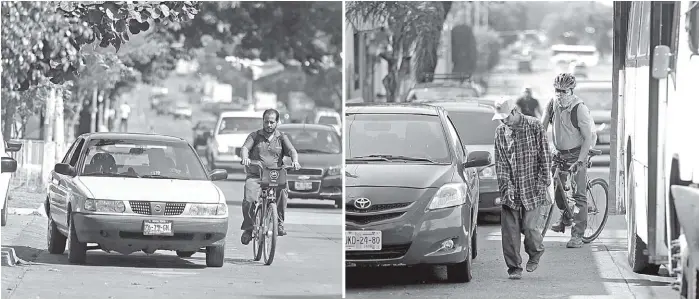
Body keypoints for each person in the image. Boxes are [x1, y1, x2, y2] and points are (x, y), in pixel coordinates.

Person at [493, 97, 552, 280]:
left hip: (532, 188)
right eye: (501, 118)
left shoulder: (534, 126)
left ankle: (536, 253)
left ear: (514, 112)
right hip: (511, 188)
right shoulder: (501, 132)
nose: (504, 121)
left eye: (506, 117)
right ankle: (514, 268)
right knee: (510, 232)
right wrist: (506, 188)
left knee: (530, 229)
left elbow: (545, 156)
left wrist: (543, 183)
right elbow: (501, 163)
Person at [541, 73, 597, 249]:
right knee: (555, 188)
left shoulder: (579, 108)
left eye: (564, 91)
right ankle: (566, 214)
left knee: (578, 195)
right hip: (558, 153)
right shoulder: (552, 104)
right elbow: (542, 129)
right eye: (557, 90)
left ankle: (577, 235)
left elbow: (587, 138)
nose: (560, 94)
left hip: (577, 153)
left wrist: (581, 161)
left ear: (571, 91)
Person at [239, 109, 301, 244]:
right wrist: (245, 158)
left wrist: (295, 161)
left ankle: (279, 223)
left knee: (283, 191)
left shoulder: (282, 137)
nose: (269, 125)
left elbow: (292, 151)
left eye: (272, 122)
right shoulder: (254, 136)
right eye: (266, 121)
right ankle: (249, 228)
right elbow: (245, 149)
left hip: (275, 176)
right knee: (249, 200)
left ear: (277, 122)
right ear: (263, 121)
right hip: (256, 176)